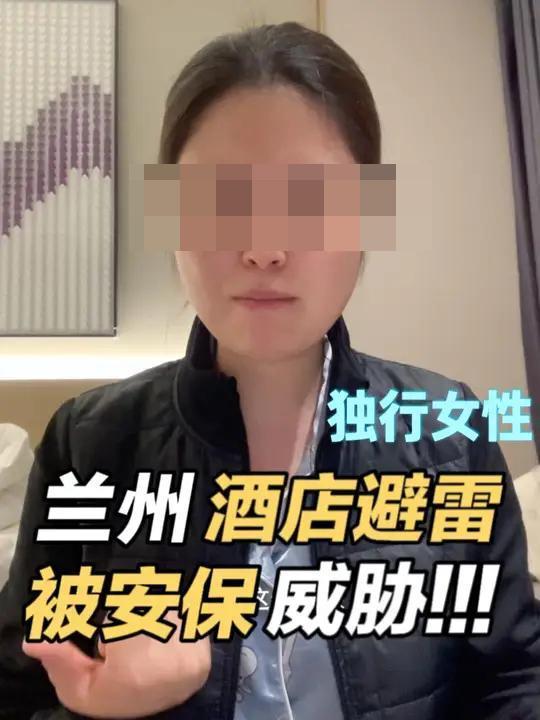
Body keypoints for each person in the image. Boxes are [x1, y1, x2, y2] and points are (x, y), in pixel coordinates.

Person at [1, 20, 539, 720]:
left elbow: (515, 677)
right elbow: (18, 692)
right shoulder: (88, 444)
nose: (263, 248)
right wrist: (105, 708)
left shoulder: (448, 434)